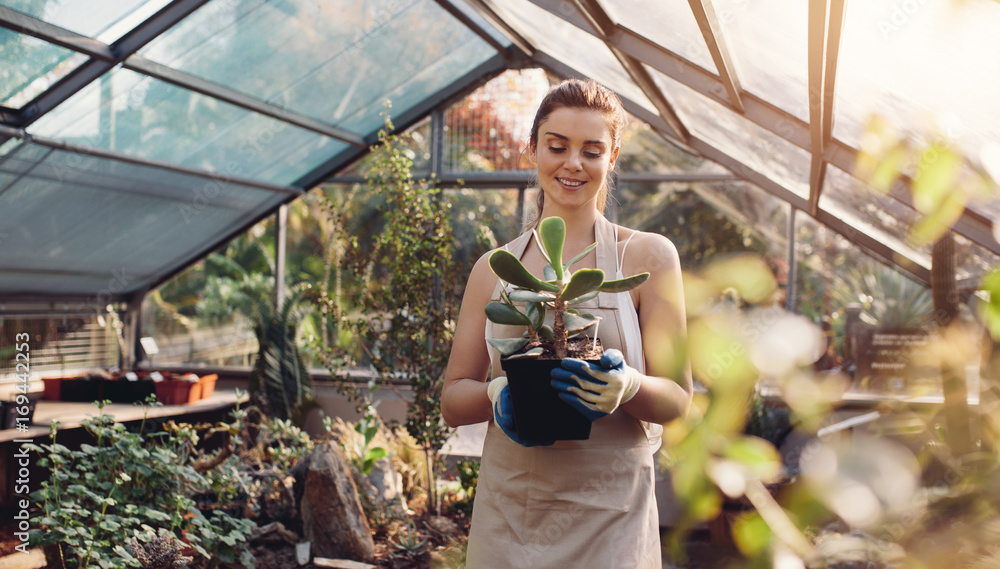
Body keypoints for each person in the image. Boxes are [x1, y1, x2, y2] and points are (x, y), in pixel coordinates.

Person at [441, 78, 693, 568]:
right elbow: (453, 398)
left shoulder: (646, 258)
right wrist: (497, 395)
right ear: (532, 149)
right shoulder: (494, 269)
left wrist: (630, 385)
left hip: (612, 515)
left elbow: (680, 401)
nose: (573, 163)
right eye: (557, 146)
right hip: (512, 512)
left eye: (592, 151)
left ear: (612, 158)